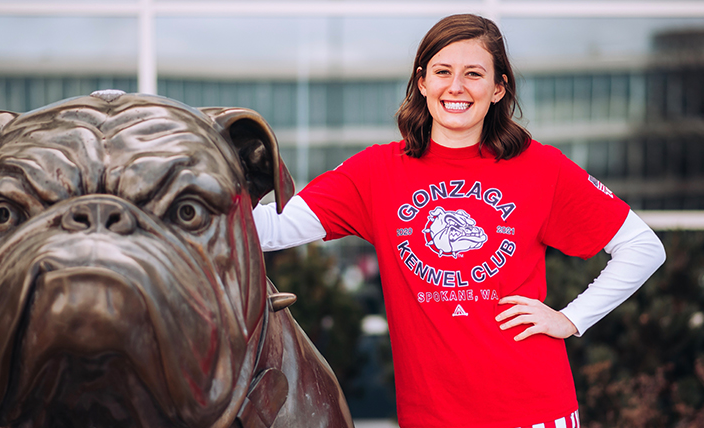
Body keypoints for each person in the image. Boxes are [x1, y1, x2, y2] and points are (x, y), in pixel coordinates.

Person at [253, 14, 666, 428]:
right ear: (422, 82)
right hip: (430, 416)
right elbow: (268, 230)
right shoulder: (376, 173)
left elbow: (642, 247)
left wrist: (571, 318)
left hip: (534, 411)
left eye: (474, 73)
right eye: (442, 72)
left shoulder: (540, 168)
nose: (456, 87)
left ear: (499, 87)